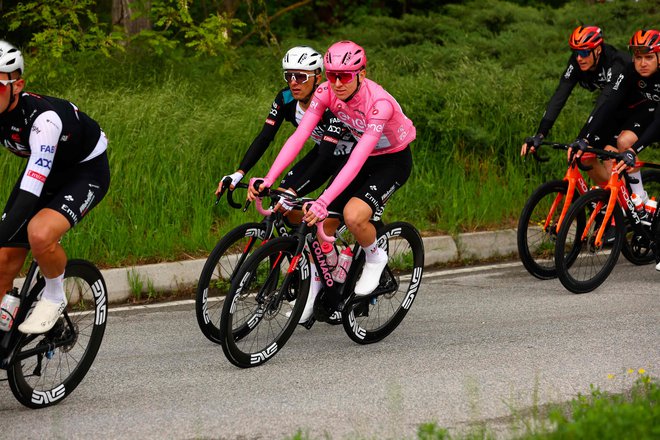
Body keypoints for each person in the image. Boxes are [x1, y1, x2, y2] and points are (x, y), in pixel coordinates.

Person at [248, 40, 416, 321]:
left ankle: (375, 257)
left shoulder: (379, 103)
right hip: (361, 156)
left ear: (361, 74)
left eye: (344, 76)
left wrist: (324, 199)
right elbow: (299, 136)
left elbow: (360, 155)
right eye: (331, 74)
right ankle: (315, 285)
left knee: (353, 216)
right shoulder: (326, 92)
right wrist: (269, 177)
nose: (337, 82)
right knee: (318, 224)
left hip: (392, 160)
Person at [0, 41, 110, 333]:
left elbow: (27, 198)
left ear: (17, 85)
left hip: (85, 171)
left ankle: (53, 295)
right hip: (45, 167)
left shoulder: (42, 120)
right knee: (2, 263)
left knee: (39, 234)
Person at [215, 46, 355, 208]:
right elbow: (265, 137)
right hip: (321, 153)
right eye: (289, 76)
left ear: (318, 78)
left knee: (330, 214)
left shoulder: (331, 101)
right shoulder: (285, 98)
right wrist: (239, 173)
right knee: (279, 204)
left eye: (301, 77)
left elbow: (325, 156)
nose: (293, 83)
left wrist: (293, 191)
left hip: (351, 156)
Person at [570, 29, 660, 270]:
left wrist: (635, 149)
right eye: (638, 57)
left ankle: (640, 200)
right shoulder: (631, 72)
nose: (642, 63)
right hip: (647, 115)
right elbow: (610, 102)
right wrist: (584, 137)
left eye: (648, 57)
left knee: (626, 145)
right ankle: (632, 206)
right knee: (616, 147)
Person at [521, 25, 629, 186]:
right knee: (584, 156)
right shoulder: (578, 62)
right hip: (612, 109)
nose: (579, 58)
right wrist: (540, 133)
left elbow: (604, 100)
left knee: (609, 153)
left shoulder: (616, 61)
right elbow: (560, 95)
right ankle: (610, 201)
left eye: (584, 52)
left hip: (635, 108)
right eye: (576, 52)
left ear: (598, 49)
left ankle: (637, 200)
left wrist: (583, 137)